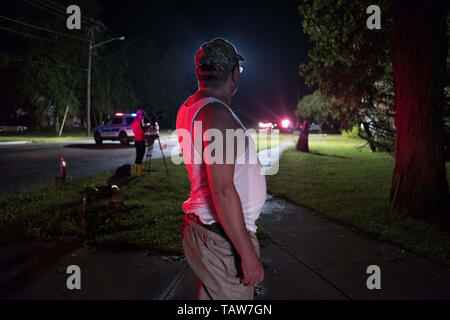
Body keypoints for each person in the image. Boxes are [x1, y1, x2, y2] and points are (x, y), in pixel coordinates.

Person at [176, 38, 266, 300]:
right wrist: (247, 254)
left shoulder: (191, 106)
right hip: (223, 237)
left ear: (198, 73)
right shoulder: (218, 115)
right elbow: (223, 191)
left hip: (208, 231)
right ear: (235, 74)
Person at [132, 109, 146, 176]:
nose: (142, 116)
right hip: (140, 141)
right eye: (141, 115)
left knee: (138, 155)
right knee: (140, 156)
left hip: (137, 141)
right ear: (139, 115)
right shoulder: (138, 122)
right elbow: (141, 132)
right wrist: (146, 128)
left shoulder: (134, 122)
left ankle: (138, 171)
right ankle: (139, 173)